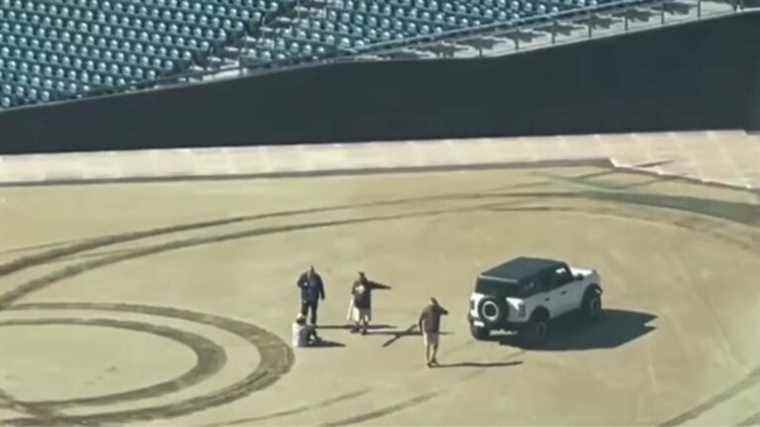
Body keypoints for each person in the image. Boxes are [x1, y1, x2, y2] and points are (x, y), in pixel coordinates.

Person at [418, 298, 448, 368]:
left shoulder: (425, 309)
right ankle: (431, 359)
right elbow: (446, 312)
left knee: (428, 346)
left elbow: (420, 320)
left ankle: (428, 360)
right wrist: (439, 307)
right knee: (435, 345)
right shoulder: (438, 309)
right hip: (434, 330)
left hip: (427, 330)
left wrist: (420, 330)